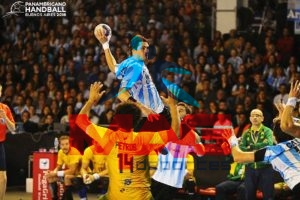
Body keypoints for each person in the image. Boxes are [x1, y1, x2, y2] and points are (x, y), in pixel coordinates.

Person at [75, 81, 180, 200]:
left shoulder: (108, 137)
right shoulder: (144, 139)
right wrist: (173, 106)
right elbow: (175, 133)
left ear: (116, 119)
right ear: (137, 120)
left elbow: (80, 121)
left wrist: (90, 101)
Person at [94, 27, 171, 127]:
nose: (147, 50)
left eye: (147, 48)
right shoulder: (136, 66)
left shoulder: (130, 62)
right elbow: (121, 94)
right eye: (143, 48)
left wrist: (105, 45)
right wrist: (142, 108)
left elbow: (113, 67)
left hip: (151, 114)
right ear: (134, 49)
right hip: (152, 116)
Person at [222, 126, 300, 199]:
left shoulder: (272, 151)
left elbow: (238, 157)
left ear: (274, 136)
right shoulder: (298, 140)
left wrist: (232, 140)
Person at [150, 102, 205, 200]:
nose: (177, 113)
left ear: (187, 115)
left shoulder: (192, 135)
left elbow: (201, 153)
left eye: (181, 111)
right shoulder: (165, 129)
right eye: (175, 111)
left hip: (172, 182)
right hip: (157, 178)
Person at [239, 108, 275, 200]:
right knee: (249, 196)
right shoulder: (246, 133)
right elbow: (241, 147)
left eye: (258, 115)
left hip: (265, 167)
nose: (255, 117)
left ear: (262, 118)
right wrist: (256, 147)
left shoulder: (267, 131)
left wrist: (251, 147)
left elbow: (269, 144)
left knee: (268, 196)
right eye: (253, 115)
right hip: (250, 167)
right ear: (250, 118)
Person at [45, 135, 83, 200]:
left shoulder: (74, 152)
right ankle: (55, 198)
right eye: (62, 144)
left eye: (66, 144)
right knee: (50, 177)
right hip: (70, 174)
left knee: (67, 177)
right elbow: (59, 166)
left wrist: (55, 173)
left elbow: (72, 171)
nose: (65, 146)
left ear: (69, 144)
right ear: (60, 145)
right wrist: (53, 172)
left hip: (80, 175)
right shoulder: (60, 152)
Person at [0, 84, 16, 200]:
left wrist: (5, 117)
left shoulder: (4, 108)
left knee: (3, 178)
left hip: (0, 144)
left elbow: (13, 129)